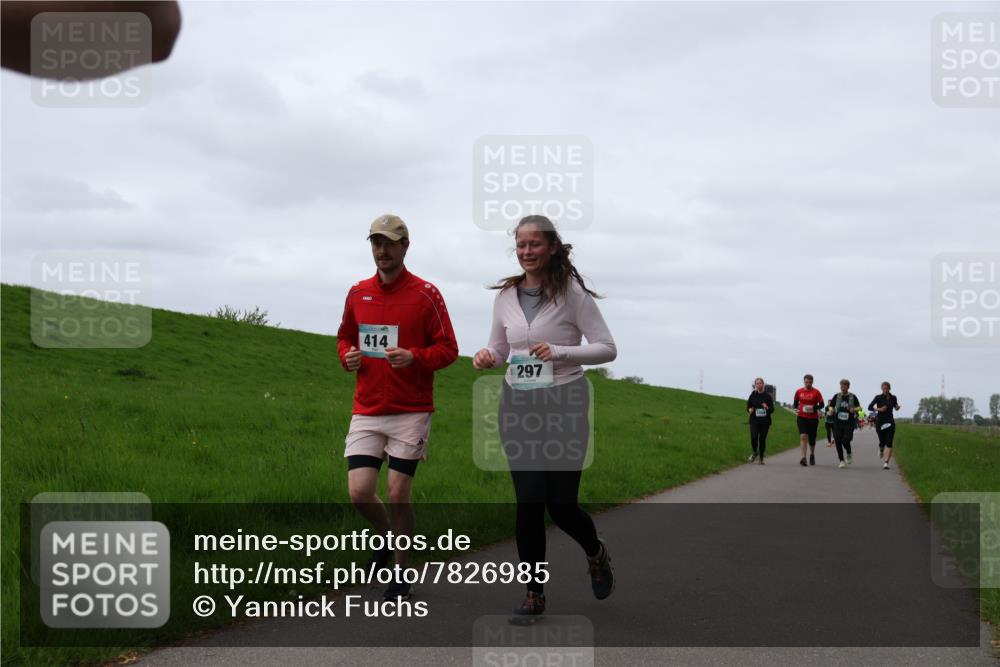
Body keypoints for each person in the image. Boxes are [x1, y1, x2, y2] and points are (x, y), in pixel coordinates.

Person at [473, 214, 617, 623]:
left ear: (553, 247)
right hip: (518, 403)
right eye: (521, 245)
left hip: (565, 402)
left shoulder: (572, 295)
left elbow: (607, 348)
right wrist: (487, 357)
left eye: (534, 244)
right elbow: (500, 348)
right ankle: (534, 594)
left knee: (562, 506)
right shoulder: (506, 295)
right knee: (530, 500)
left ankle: (596, 552)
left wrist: (559, 351)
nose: (526, 251)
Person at [337, 214, 458, 601]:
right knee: (359, 492)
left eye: (390, 243)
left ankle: (402, 572)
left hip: (411, 410)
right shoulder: (358, 293)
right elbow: (344, 337)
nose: (382, 250)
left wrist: (414, 357)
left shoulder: (426, 294)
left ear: (405, 246)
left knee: (397, 492)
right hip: (368, 408)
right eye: (376, 243)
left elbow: (448, 349)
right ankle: (388, 538)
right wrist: (347, 356)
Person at [828, 379, 861, 469]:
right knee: (838, 440)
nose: (843, 387)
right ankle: (841, 460)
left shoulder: (852, 396)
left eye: (845, 385)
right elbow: (831, 406)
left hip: (849, 422)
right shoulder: (837, 396)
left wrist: (854, 409)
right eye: (841, 385)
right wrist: (831, 410)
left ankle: (849, 453)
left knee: (846, 440)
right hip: (837, 422)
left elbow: (859, 407)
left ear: (848, 387)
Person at [793, 374, 824, 466]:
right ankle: (803, 458)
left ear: (812, 382)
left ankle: (812, 454)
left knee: (812, 439)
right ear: (804, 382)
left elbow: (822, 404)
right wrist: (796, 408)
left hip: (813, 418)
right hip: (802, 417)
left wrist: (814, 408)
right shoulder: (799, 391)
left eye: (810, 382)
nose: (808, 384)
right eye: (806, 382)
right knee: (803, 436)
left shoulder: (816, 392)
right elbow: (795, 402)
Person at [869, 381, 901, 469]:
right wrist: (879, 409)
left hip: (890, 421)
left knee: (889, 442)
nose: (885, 390)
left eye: (887, 389)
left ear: (889, 388)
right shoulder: (878, 397)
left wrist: (897, 407)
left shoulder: (893, 397)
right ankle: (881, 447)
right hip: (880, 421)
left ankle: (886, 462)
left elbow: (895, 406)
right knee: (882, 441)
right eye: (883, 389)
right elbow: (869, 407)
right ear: (881, 389)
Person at [746, 377, 774, 464]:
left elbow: (772, 410)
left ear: (763, 384)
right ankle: (755, 452)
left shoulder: (768, 396)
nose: (759, 385)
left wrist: (767, 407)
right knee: (753, 437)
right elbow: (748, 406)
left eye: (760, 383)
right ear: (755, 385)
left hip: (765, 422)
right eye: (757, 383)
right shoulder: (753, 395)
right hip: (754, 420)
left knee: (762, 439)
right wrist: (749, 410)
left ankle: (761, 458)